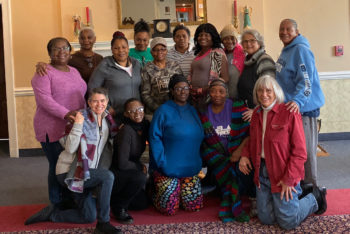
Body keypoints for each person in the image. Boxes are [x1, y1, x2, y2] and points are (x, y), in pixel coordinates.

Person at [26, 88, 122, 234]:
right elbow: (70, 148)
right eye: (95, 101)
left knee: (88, 216)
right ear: (89, 103)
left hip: (89, 173)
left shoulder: (108, 119)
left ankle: (52, 214)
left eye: (102, 101)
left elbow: (111, 140)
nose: (99, 104)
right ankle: (104, 223)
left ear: (107, 102)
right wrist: (77, 125)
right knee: (107, 176)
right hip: (69, 172)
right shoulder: (80, 116)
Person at [239, 75, 327, 230]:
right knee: (266, 219)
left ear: (276, 92)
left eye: (268, 90)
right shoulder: (257, 113)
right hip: (261, 171)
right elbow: (253, 139)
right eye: (260, 91)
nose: (264, 94)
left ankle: (315, 197)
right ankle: (290, 199)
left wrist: (289, 179)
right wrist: (245, 155)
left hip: (283, 172)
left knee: (288, 222)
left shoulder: (289, 112)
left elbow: (300, 152)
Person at [31, 37, 86, 208]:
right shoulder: (43, 72)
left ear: (70, 51)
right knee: (56, 164)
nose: (61, 51)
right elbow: (45, 100)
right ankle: (56, 201)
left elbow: (81, 96)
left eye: (65, 47)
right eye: (56, 48)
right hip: (52, 127)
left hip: (73, 126)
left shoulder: (74, 71)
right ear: (50, 53)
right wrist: (66, 113)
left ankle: (68, 197)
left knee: (68, 163)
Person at [276, 19, 325, 187]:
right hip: (292, 109)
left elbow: (306, 81)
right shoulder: (287, 50)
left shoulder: (301, 50)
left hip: (304, 110)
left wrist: (297, 101)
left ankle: (313, 191)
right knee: (295, 151)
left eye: (288, 29)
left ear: (297, 31)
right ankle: (299, 186)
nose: (284, 32)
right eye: (281, 29)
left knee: (306, 152)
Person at [199, 79, 255, 222]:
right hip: (215, 153)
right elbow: (203, 139)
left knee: (239, 169)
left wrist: (239, 151)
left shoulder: (237, 107)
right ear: (209, 93)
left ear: (227, 93)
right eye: (213, 91)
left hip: (236, 152)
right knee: (223, 167)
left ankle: (244, 196)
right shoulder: (204, 111)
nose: (217, 94)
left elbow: (251, 132)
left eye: (221, 91)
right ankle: (228, 193)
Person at [149, 74, 204, 215]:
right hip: (167, 168)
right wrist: (161, 163)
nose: (183, 91)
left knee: (194, 206)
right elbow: (154, 138)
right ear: (172, 91)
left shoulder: (192, 110)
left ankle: (179, 191)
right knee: (170, 209)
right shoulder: (163, 111)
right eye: (178, 88)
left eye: (185, 88)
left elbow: (200, 136)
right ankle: (152, 192)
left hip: (190, 168)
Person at [89, 31, 142, 125]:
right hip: (115, 115)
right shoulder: (105, 65)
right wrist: (107, 107)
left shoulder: (136, 64)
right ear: (112, 50)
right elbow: (92, 88)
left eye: (124, 47)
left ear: (128, 48)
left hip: (135, 114)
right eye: (116, 48)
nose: (121, 51)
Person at [110, 98, 149, 224]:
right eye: (132, 111)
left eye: (140, 109)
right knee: (141, 177)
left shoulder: (143, 126)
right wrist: (139, 167)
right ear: (126, 114)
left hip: (130, 171)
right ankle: (119, 208)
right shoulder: (126, 130)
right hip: (118, 172)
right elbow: (122, 163)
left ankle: (113, 198)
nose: (137, 113)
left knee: (142, 204)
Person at [35, 27, 103, 86]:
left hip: (96, 97)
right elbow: (55, 66)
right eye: (82, 38)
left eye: (89, 37)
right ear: (79, 40)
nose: (86, 40)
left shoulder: (100, 58)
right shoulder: (70, 58)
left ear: (94, 39)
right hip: (78, 94)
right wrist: (41, 64)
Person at [237, 29, 275, 122]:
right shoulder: (248, 60)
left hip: (260, 114)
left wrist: (256, 110)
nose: (248, 44)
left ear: (259, 42)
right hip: (249, 112)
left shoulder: (264, 60)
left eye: (252, 40)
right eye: (245, 41)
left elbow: (269, 91)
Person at [189, 23, 229, 110]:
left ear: (213, 37)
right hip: (194, 97)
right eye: (200, 35)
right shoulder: (198, 54)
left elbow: (225, 78)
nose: (203, 37)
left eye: (207, 35)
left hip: (209, 97)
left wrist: (205, 89)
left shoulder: (217, 53)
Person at [141, 37, 182, 120]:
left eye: (162, 49)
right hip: (155, 112)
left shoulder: (174, 65)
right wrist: (160, 109)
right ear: (151, 52)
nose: (160, 52)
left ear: (166, 51)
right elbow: (145, 94)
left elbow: (182, 86)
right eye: (155, 50)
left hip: (175, 109)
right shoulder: (147, 69)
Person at [219, 24, 245, 99]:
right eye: (226, 38)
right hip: (225, 97)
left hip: (240, 97)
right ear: (222, 41)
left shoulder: (244, 53)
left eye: (232, 38)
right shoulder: (221, 55)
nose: (229, 41)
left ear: (236, 40)